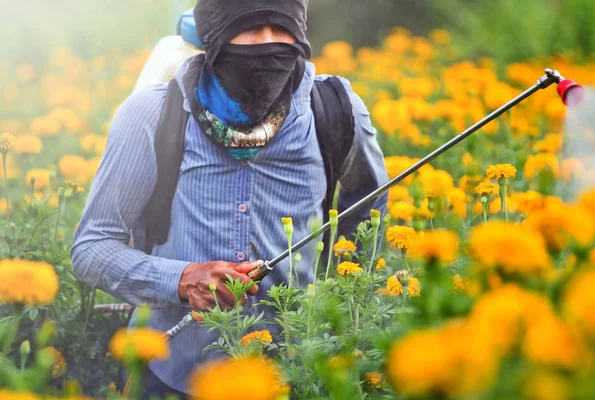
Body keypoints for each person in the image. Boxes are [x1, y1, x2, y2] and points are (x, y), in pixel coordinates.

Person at [71, 0, 388, 397]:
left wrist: (344, 303)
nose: (269, 43)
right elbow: (92, 247)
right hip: (172, 376)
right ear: (213, 36)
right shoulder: (151, 114)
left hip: (296, 377)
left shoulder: (337, 112)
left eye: (282, 27)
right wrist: (183, 280)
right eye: (251, 27)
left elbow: (369, 207)